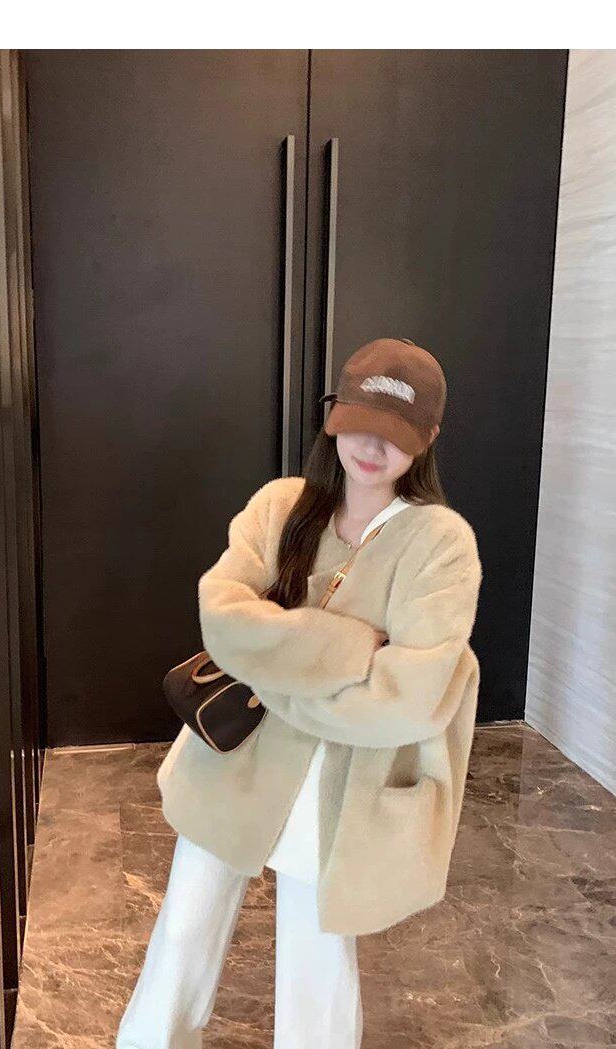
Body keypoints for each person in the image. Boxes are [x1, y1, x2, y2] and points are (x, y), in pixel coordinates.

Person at [115, 337, 483, 1048]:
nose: (372, 447)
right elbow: (224, 617)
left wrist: (276, 660)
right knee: (184, 927)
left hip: (341, 784)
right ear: (334, 415)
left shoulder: (440, 543)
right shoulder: (281, 506)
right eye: (360, 422)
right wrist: (352, 648)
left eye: (396, 432)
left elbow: (408, 696)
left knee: (317, 960)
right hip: (234, 760)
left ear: (429, 437)